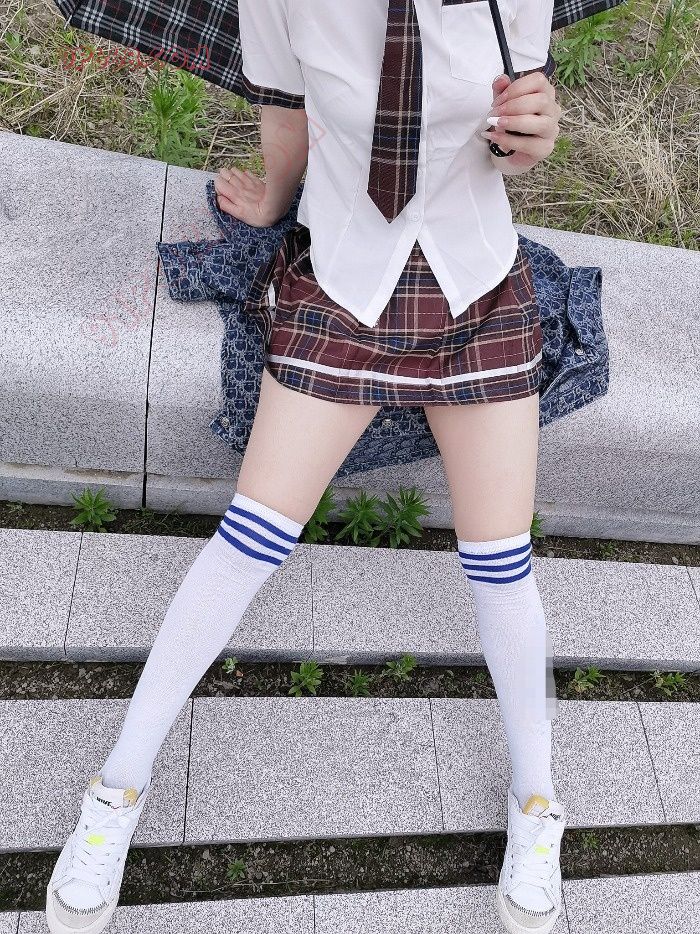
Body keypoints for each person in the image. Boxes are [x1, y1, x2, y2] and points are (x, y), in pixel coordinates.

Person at [46, 1, 566, 932]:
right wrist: (274, 198)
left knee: (501, 565)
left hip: (479, 283)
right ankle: (116, 789)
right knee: (247, 541)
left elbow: (514, 139)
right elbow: (286, 112)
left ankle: (539, 803)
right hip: (343, 280)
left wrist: (533, 134)